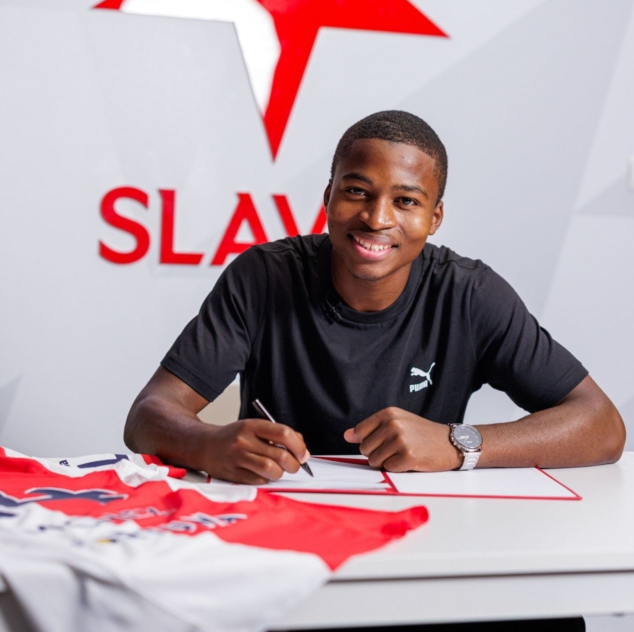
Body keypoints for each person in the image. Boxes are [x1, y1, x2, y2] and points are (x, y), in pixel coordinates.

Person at [125, 110, 625, 484]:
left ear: (434, 218)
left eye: (405, 200)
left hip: (423, 530)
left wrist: (456, 445)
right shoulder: (264, 277)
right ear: (328, 197)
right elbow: (148, 414)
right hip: (284, 523)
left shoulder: (468, 294)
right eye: (357, 192)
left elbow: (602, 426)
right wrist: (207, 443)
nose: (377, 218)